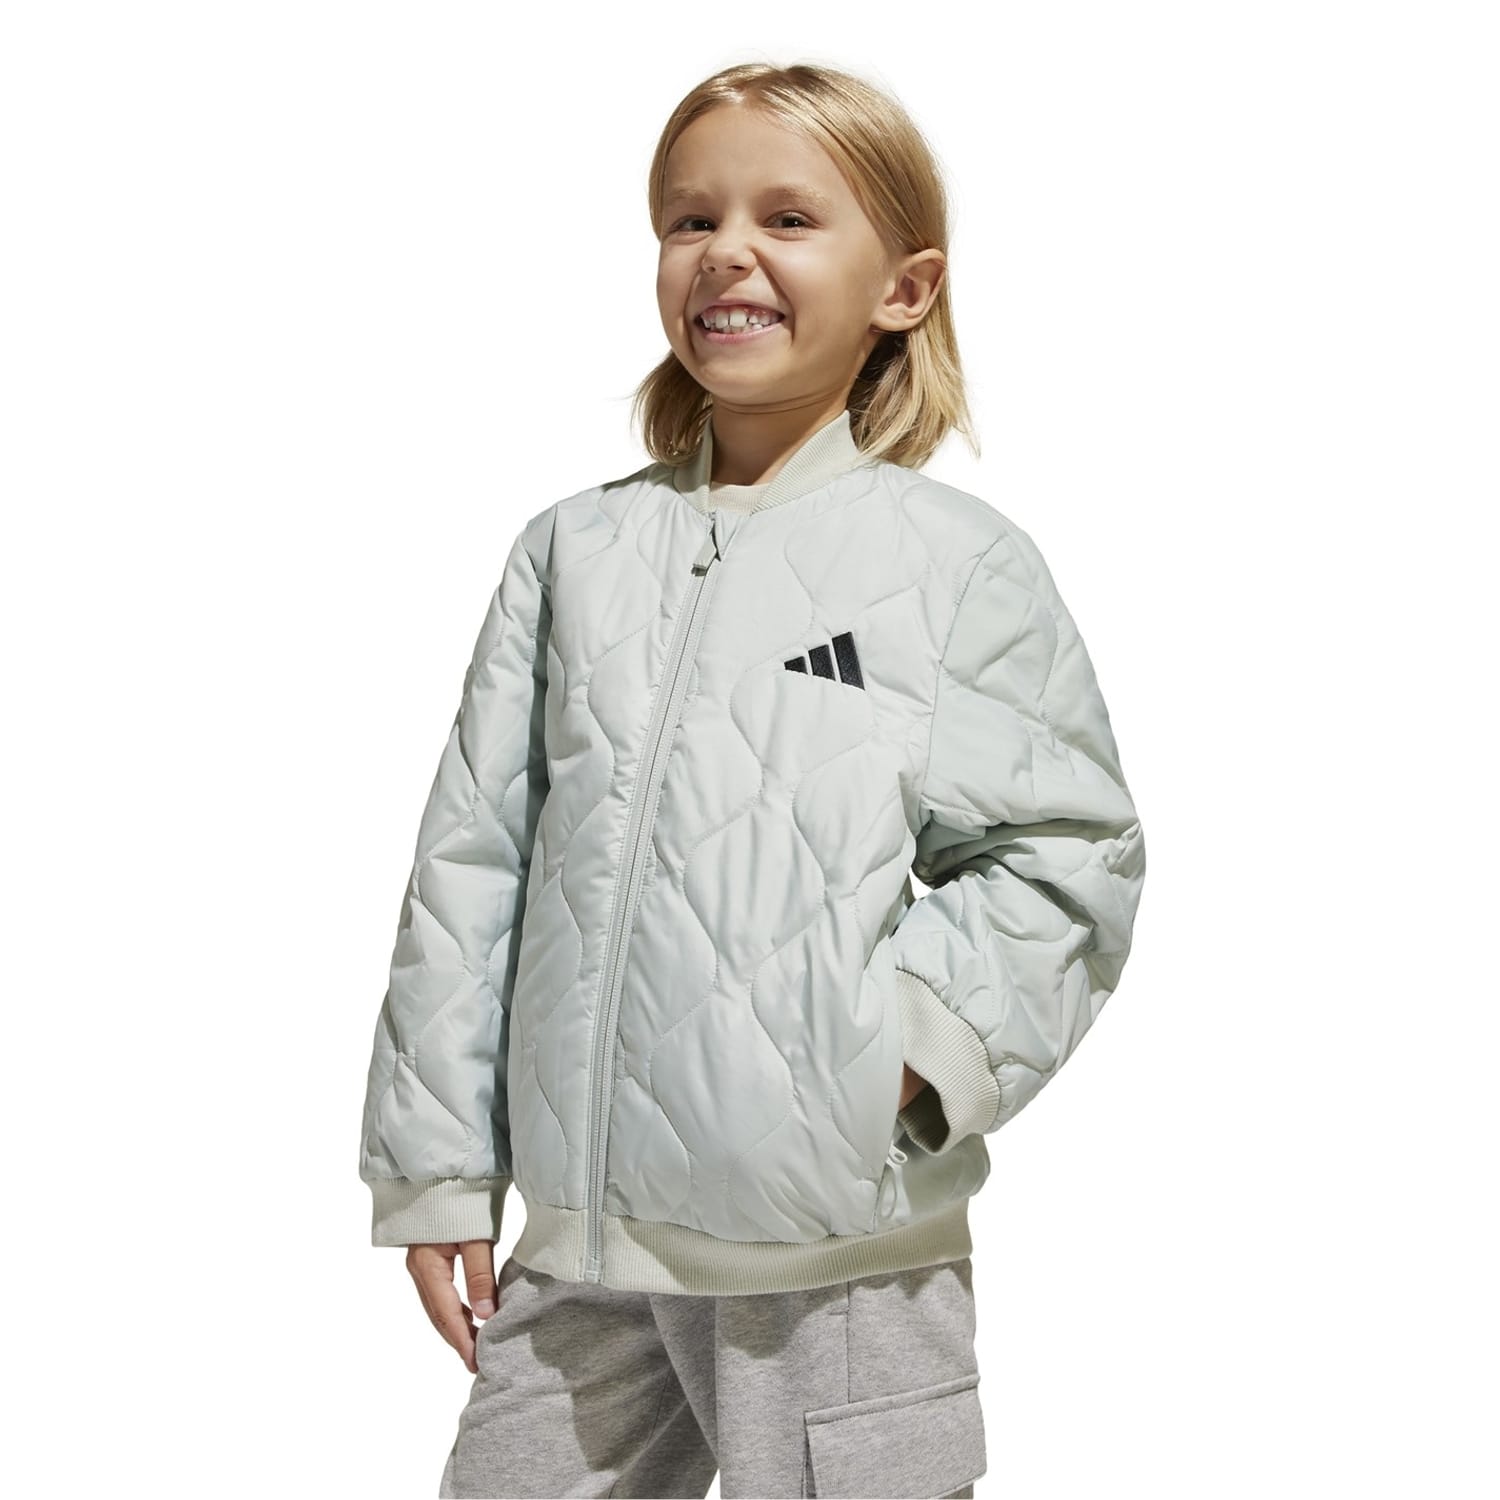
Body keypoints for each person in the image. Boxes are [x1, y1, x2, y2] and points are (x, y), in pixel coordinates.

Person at [357, 59, 1147, 1500]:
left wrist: (900, 1064)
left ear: (903, 288)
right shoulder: (571, 553)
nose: (726, 250)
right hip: (586, 1246)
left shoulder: (953, 566)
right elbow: (473, 864)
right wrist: (436, 1167)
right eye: (690, 219)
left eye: (787, 218)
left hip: (838, 1261)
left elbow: (1064, 856)